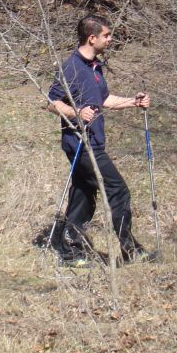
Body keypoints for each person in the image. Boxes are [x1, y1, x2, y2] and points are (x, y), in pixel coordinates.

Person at [47, 14, 153, 265]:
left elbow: (104, 100)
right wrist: (76, 112)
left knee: (84, 192)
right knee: (118, 190)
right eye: (106, 35)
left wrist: (133, 102)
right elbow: (51, 102)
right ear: (91, 38)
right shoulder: (71, 67)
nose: (110, 38)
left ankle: (70, 248)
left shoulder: (95, 66)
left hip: (94, 142)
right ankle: (130, 249)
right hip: (80, 144)